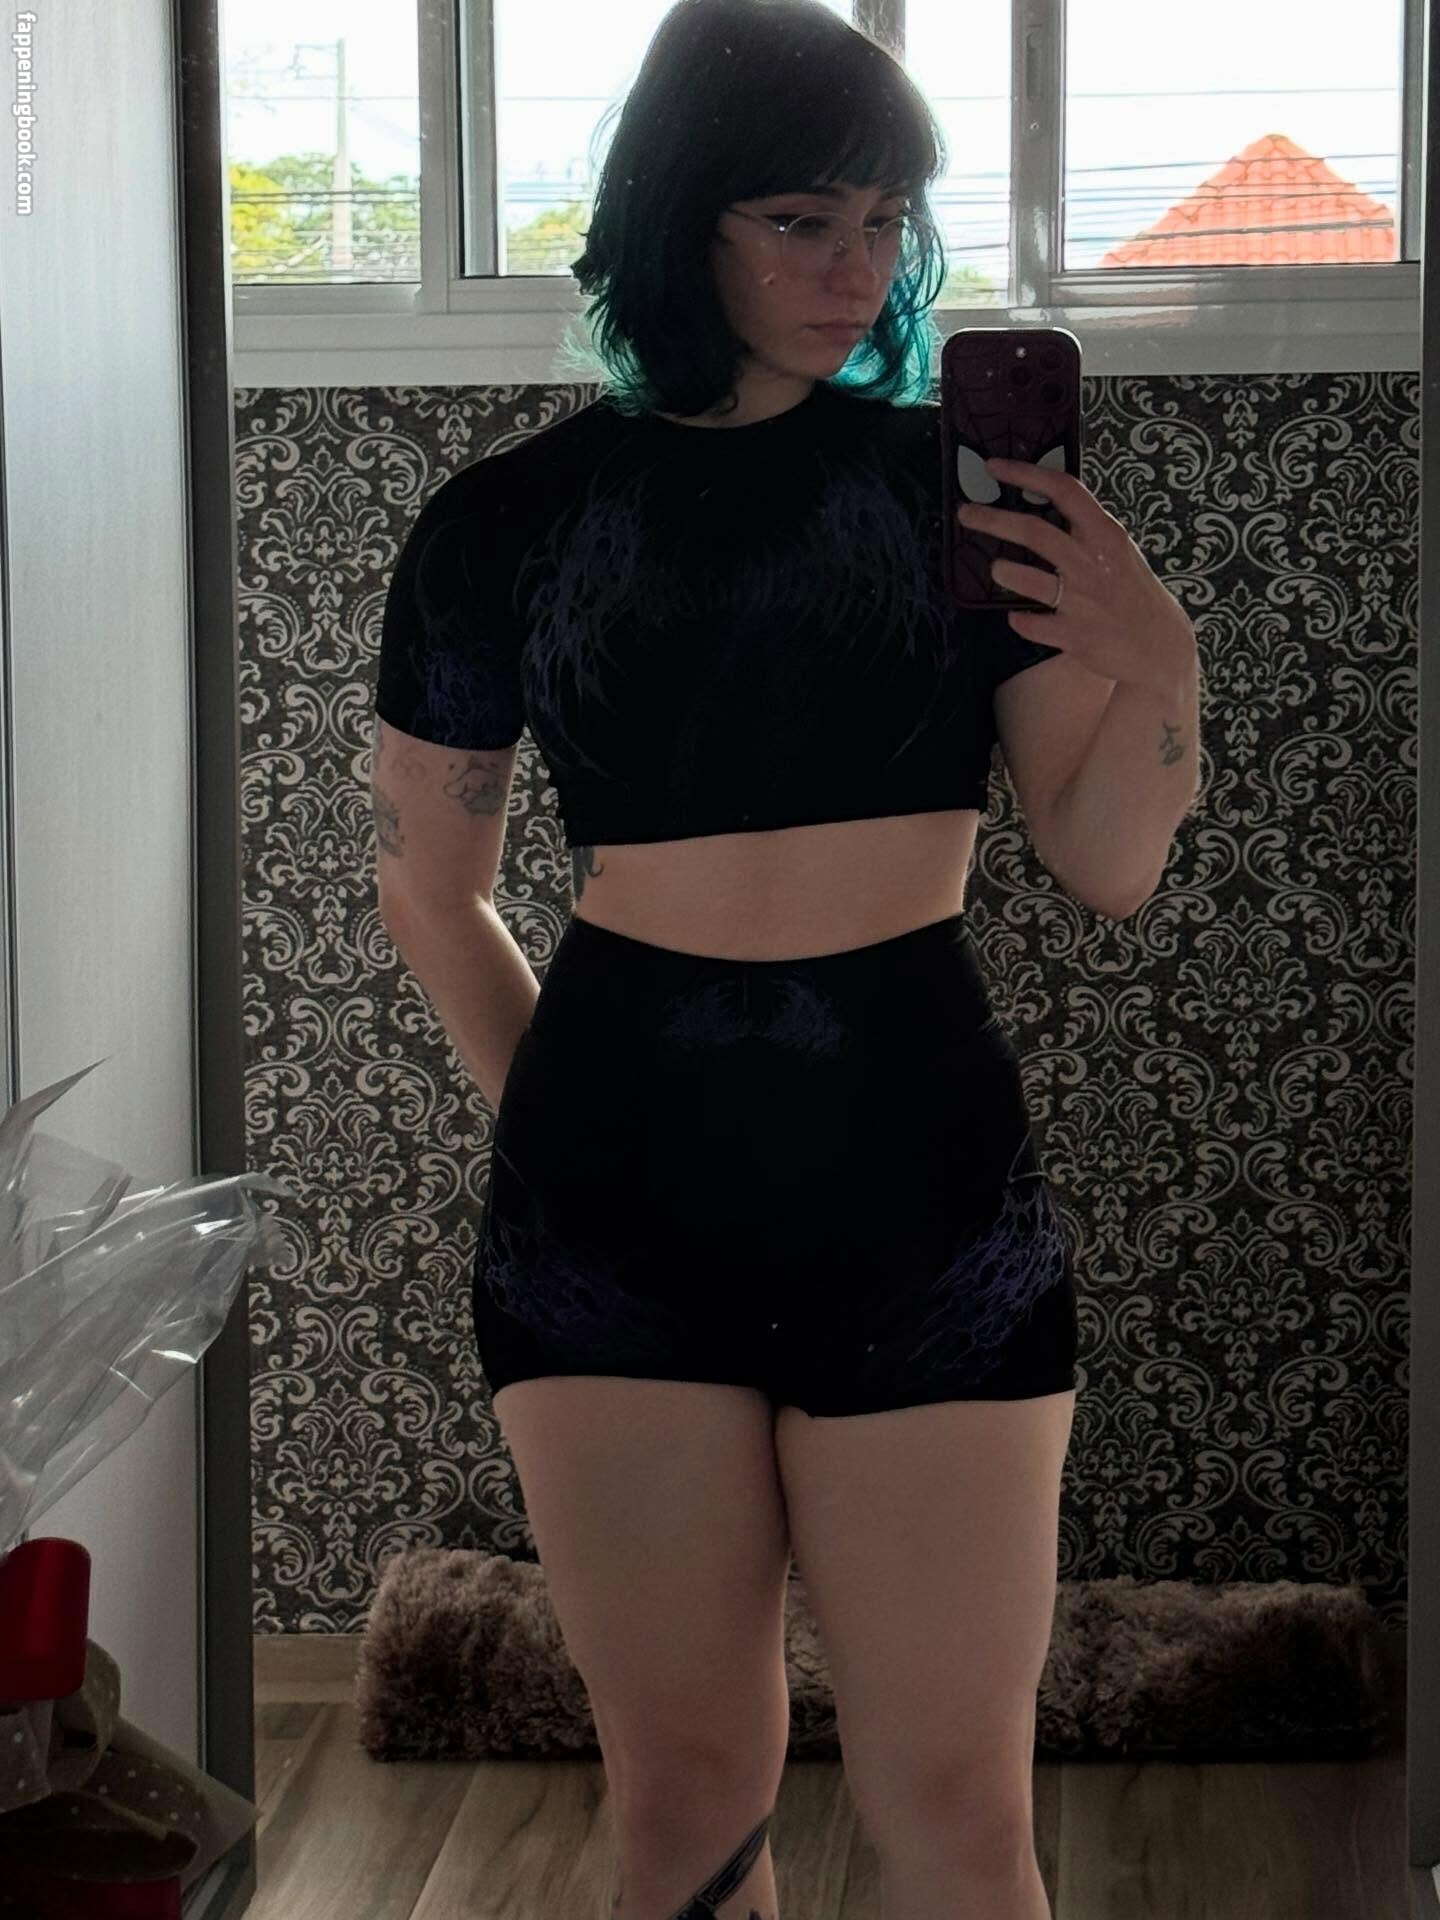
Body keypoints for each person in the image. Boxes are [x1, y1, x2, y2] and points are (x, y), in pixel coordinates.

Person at [371, 4, 1110, 1915]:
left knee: (960, 1803)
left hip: (923, 1184)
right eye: (799, 220)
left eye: (884, 220)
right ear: (678, 222)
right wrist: (564, 1136)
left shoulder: (966, 493)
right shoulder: (504, 520)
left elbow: (1108, 859)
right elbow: (430, 892)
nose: (854, 267)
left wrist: (1153, 646)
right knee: (684, 1794)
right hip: (608, 1205)